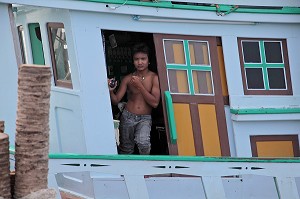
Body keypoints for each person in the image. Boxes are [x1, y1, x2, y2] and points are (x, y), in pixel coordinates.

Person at [108, 43, 160, 155]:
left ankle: (145, 170)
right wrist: (111, 90)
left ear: (148, 60)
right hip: (127, 116)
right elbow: (116, 100)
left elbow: (155, 103)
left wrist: (139, 85)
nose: (140, 62)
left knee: (144, 143)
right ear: (133, 61)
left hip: (145, 118)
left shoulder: (154, 78)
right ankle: (126, 172)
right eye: (136, 59)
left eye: (143, 59)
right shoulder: (128, 79)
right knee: (126, 149)